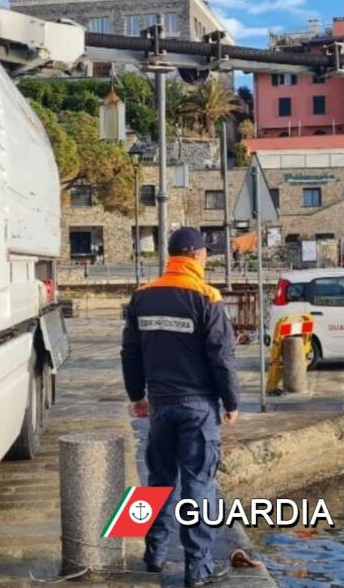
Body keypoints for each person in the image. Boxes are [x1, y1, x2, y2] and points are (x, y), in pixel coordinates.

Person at [121, 227, 240, 587]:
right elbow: (222, 356)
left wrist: (136, 395)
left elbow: (130, 351)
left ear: (170, 256)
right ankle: (197, 568)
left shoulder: (142, 297)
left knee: (156, 482)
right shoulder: (207, 297)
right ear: (199, 257)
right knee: (198, 486)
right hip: (199, 407)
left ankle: (154, 554)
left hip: (160, 406)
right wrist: (231, 401)